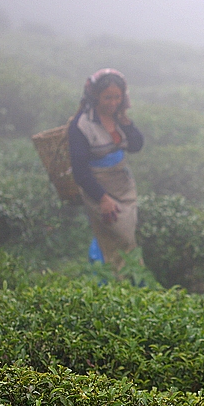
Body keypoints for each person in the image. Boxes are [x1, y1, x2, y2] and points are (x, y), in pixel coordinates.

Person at [68, 68, 144, 273]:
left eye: (117, 98)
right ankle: (115, 279)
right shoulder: (82, 125)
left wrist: (125, 118)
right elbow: (80, 171)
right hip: (98, 188)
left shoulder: (119, 118)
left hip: (124, 186)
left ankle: (123, 279)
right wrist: (102, 199)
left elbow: (136, 145)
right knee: (121, 236)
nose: (112, 103)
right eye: (107, 97)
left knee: (124, 235)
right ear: (95, 96)